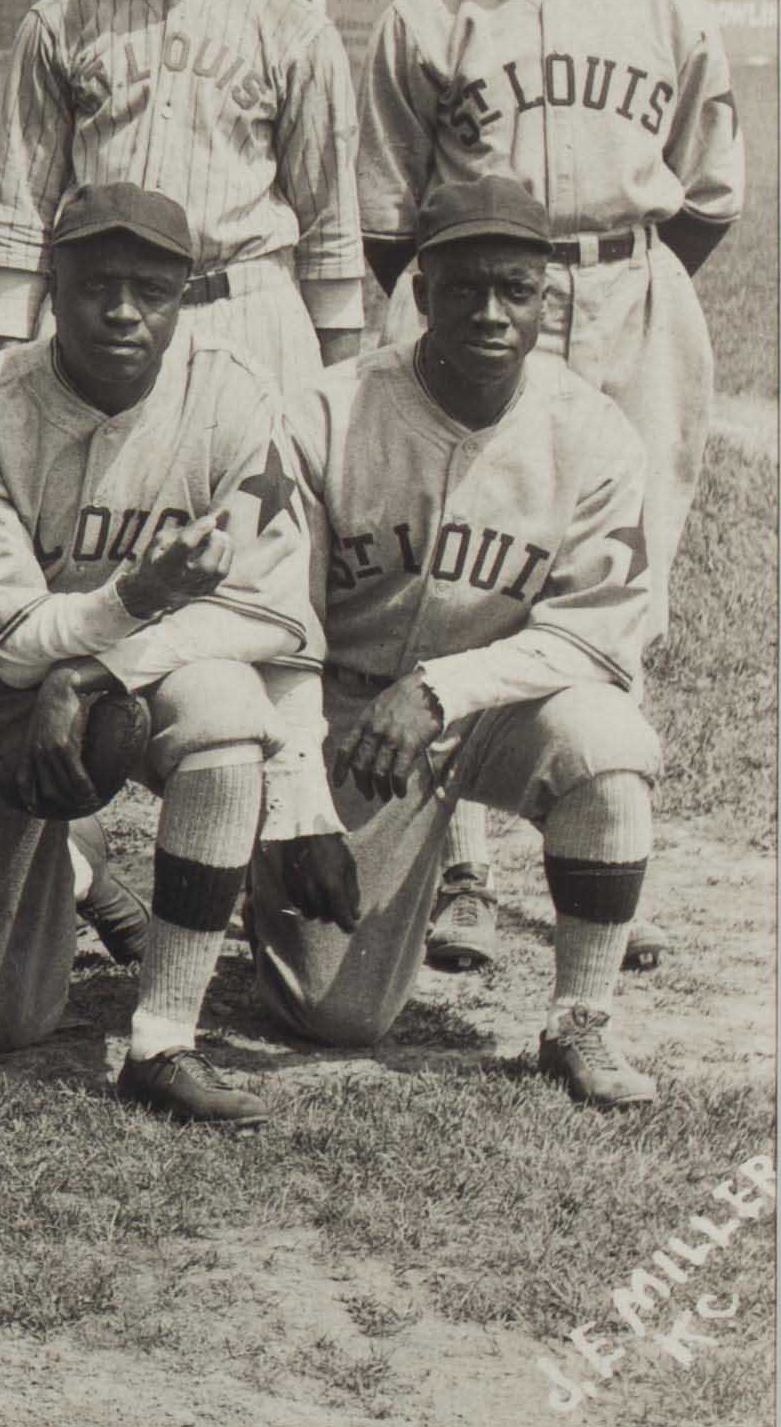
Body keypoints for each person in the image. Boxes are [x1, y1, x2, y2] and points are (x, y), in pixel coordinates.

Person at [358, 0, 739, 976]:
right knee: (459, 561)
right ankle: (460, 869)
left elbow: (707, 192)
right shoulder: (430, 14)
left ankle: (596, 853)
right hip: (475, 293)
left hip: (628, 292)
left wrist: (612, 277)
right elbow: (384, 215)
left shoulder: (665, 8)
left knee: (624, 577)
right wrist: (481, 295)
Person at [0, 184, 343, 1128]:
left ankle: (162, 1040)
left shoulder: (231, 393)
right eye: (96, 283)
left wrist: (102, 661)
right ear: (50, 281)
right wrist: (129, 601)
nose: (122, 311)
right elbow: (9, 641)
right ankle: (84, 871)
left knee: (228, 714)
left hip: (134, 669)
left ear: (184, 292)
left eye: (150, 288)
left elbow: (273, 614)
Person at [246, 181, 663, 1109]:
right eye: (464, 287)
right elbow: (277, 630)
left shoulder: (591, 430)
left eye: (514, 288)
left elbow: (597, 633)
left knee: (611, 744)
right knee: (332, 1013)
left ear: (544, 298)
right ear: (421, 293)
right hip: (347, 713)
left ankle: (580, 1020)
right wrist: (301, 802)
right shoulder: (328, 411)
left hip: (491, 705)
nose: (490, 311)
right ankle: (264, 857)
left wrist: (442, 685)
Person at [0, 0, 362, 394]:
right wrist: (3, 356)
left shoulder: (297, 29)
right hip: (106, 318)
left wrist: (340, 387)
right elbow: (21, 213)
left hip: (243, 309)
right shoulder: (61, 19)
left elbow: (330, 229)